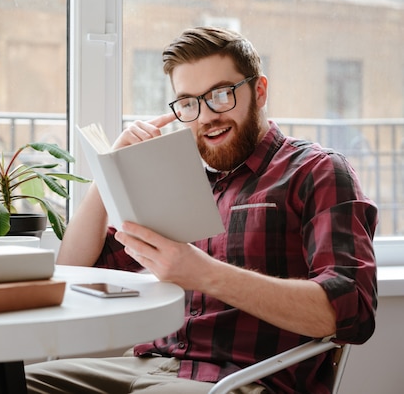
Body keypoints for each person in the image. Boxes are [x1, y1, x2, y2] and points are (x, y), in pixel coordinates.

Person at [25, 26, 378, 394]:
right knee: (7, 383)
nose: (206, 116)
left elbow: (351, 311)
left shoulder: (316, 170)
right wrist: (109, 169)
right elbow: (74, 270)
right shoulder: (182, 181)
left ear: (259, 91)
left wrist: (205, 274)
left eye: (221, 95)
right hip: (149, 364)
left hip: (241, 380)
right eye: (189, 103)